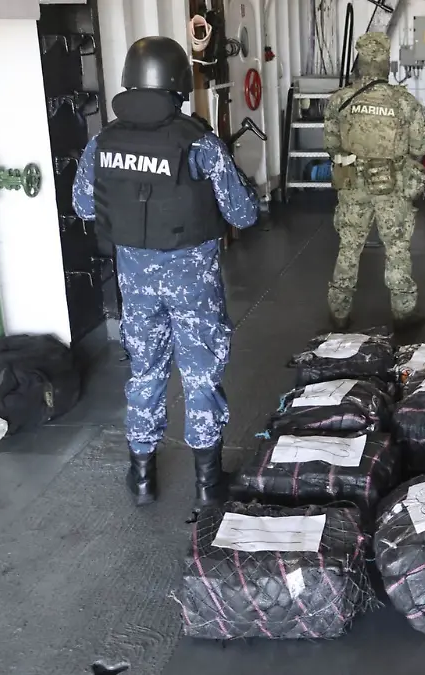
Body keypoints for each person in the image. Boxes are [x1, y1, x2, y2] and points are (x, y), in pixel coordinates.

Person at [72, 36, 259, 507]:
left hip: (135, 283)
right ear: (178, 83)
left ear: (129, 81)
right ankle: (208, 483)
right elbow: (242, 214)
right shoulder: (199, 143)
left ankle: (141, 477)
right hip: (192, 283)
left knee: (145, 371)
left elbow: (83, 206)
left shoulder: (102, 141)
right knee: (200, 373)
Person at [323, 32, 425, 332]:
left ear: (359, 63)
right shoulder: (404, 101)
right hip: (391, 186)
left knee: (349, 246)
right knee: (396, 247)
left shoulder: (340, 100)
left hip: (352, 184)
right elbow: (421, 146)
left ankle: (339, 312)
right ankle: (403, 312)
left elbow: (331, 144)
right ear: (386, 65)